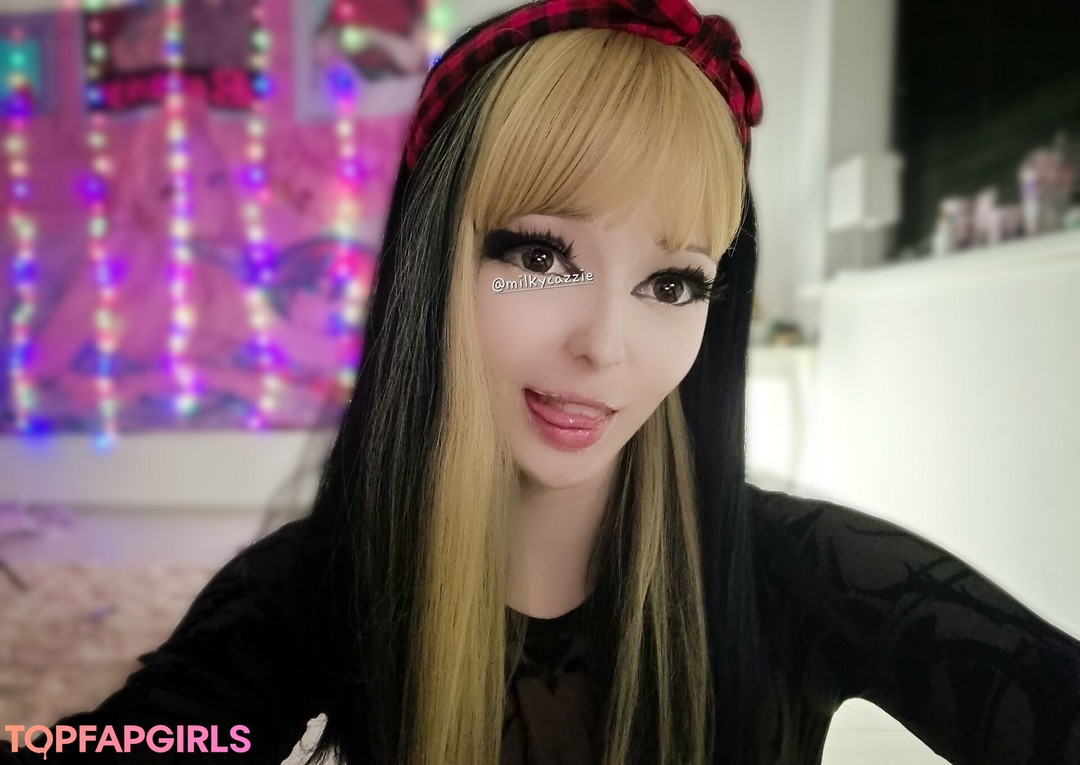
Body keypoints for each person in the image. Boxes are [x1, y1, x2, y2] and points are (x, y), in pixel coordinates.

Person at [5, 1, 1080, 763]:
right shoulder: (316, 585)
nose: (606, 345)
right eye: (540, 254)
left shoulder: (815, 573)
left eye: (673, 281)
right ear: (437, 262)